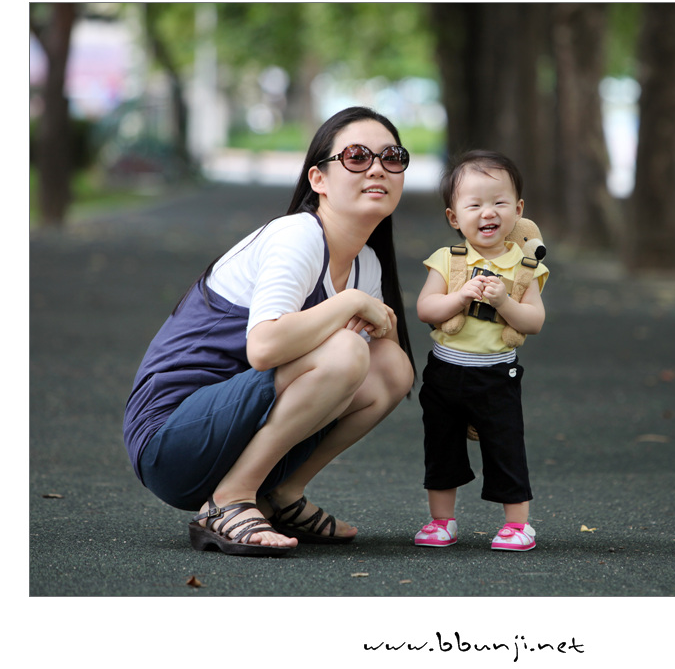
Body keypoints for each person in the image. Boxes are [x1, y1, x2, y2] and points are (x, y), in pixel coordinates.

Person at [123, 106, 416, 557]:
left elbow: (375, 369)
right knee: (345, 350)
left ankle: (280, 495)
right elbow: (263, 349)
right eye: (357, 156)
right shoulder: (297, 236)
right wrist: (350, 303)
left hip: (235, 434)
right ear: (318, 179)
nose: (377, 168)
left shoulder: (366, 264)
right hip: (171, 442)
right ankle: (229, 499)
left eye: (392, 157)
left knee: (393, 367)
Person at [414, 150, 549, 551]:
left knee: (505, 446)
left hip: (496, 376)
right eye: (474, 205)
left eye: (499, 202)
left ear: (518, 210)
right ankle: (442, 521)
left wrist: (504, 301)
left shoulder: (525, 267)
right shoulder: (447, 260)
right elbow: (426, 309)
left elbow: (533, 321)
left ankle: (517, 525)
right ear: (454, 217)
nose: (488, 212)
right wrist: (460, 297)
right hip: (445, 373)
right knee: (442, 447)